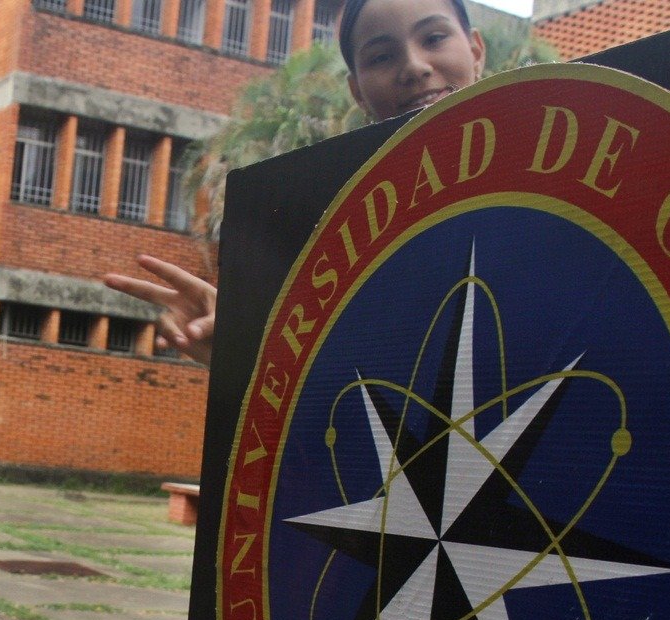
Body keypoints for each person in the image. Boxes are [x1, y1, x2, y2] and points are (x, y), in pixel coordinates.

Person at [104, 0, 484, 365]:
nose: (414, 67)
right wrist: (245, 349)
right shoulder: (330, 237)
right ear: (357, 91)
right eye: (381, 56)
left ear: (476, 50)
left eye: (434, 38)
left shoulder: (541, 177)